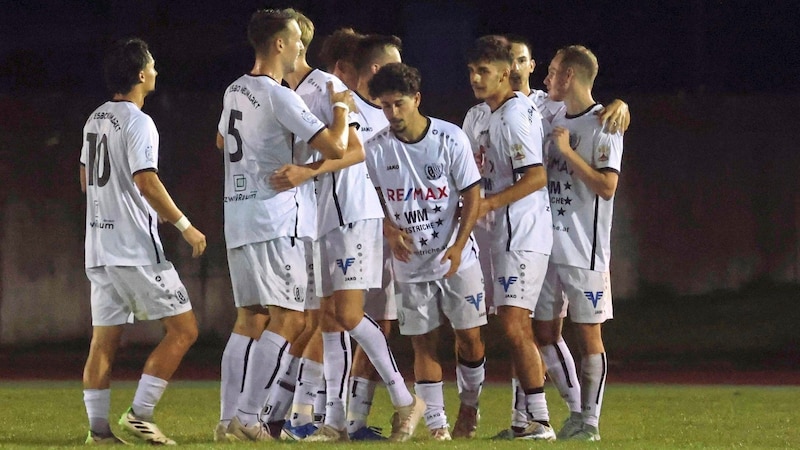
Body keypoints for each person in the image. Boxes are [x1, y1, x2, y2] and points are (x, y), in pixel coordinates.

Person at [268, 30, 425, 445]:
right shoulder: (290, 92)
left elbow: (355, 151)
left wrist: (307, 171)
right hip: (325, 219)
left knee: (350, 316)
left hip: (353, 215)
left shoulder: (327, 86)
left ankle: (405, 397)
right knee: (333, 321)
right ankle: (334, 421)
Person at [215, 9, 358, 442]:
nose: (301, 47)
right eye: (296, 39)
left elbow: (223, 139)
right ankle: (248, 416)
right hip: (277, 220)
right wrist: (339, 107)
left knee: (249, 317)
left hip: (237, 217)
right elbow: (336, 148)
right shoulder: (281, 96)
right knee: (291, 320)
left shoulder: (235, 90)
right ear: (279, 44)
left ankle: (227, 421)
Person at [80, 37, 206, 445]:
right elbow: (147, 180)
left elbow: (85, 179)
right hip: (133, 248)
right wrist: (185, 225)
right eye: (151, 66)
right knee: (184, 330)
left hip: (98, 249)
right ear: (139, 75)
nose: (155, 71)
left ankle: (98, 433)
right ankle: (140, 414)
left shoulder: (95, 118)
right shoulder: (138, 122)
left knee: (103, 343)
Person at [365, 62, 486, 441]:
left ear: (416, 99)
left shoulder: (450, 139)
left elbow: (472, 194)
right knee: (423, 341)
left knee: (469, 339)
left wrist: (459, 245)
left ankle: (470, 404)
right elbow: (371, 201)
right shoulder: (376, 149)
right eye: (385, 106)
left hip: (456, 260)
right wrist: (388, 228)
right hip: (410, 265)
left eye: (399, 104)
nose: (393, 114)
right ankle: (438, 426)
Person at [461, 35, 555, 441]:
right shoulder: (478, 116)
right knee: (492, 323)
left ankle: (542, 421)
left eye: (484, 71)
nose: (477, 78)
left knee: (517, 325)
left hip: (523, 230)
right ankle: (518, 421)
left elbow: (536, 176)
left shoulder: (517, 113)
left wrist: (489, 203)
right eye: (472, 71)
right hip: (492, 233)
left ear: (505, 73)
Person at [535, 44, 624, 441]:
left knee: (589, 335)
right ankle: (575, 411)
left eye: (553, 72)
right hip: (547, 245)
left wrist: (568, 152)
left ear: (569, 76)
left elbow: (607, 186)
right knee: (543, 333)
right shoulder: (554, 113)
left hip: (583, 248)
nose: (547, 78)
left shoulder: (603, 124)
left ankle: (591, 422)